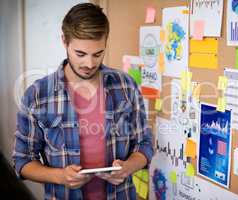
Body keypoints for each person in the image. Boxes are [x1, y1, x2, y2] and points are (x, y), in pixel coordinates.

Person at [12, 3, 153, 200]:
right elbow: (22, 161)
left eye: (97, 54)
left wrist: (128, 167)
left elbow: (144, 143)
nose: (89, 64)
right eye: (80, 54)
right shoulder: (37, 95)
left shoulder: (125, 85)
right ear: (64, 41)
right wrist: (60, 176)